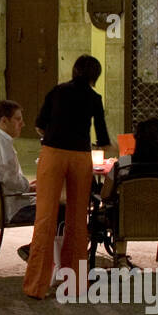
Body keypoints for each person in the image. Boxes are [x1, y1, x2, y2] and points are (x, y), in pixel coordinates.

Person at [22, 55, 111, 300]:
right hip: (80, 158)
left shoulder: (57, 91)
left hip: (52, 154)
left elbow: (40, 124)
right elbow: (102, 137)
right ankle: (75, 285)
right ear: (95, 76)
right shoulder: (94, 98)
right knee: (77, 220)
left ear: (74, 71)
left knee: (45, 218)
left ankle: (36, 286)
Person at [0, 99, 36, 225]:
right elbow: (11, 182)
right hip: (14, 209)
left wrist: (28, 185)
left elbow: (9, 178)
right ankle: (44, 245)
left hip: (5, 204)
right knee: (58, 209)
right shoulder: (0, 144)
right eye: (18, 119)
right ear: (4, 121)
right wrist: (30, 187)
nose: (23, 124)